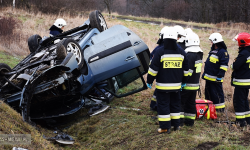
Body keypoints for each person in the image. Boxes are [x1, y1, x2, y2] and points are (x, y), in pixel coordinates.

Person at [147, 27, 189, 134]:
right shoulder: (182, 52)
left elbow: (153, 69)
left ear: (164, 38)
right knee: (175, 105)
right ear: (176, 38)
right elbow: (186, 70)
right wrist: (184, 81)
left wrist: (149, 80)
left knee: (163, 105)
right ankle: (176, 125)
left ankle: (165, 127)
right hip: (176, 87)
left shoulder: (160, 52)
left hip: (163, 86)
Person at [202, 33, 229, 112]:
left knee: (217, 95)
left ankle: (219, 111)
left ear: (216, 42)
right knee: (208, 94)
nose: (211, 43)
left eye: (211, 42)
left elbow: (224, 65)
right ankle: (210, 109)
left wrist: (220, 76)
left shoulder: (223, 52)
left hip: (216, 79)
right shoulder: (213, 51)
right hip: (209, 78)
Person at [180, 32, 203, 126]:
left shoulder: (190, 55)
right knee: (190, 103)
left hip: (187, 84)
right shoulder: (199, 54)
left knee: (180, 102)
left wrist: (183, 82)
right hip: (195, 84)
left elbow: (188, 71)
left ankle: (180, 122)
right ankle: (190, 122)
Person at [231, 32, 250, 127]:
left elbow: (236, 66)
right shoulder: (248, 52)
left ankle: (240, 122)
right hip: (247, 81)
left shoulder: (244, 53)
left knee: (239, 101)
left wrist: (232, 65)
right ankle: (247, 120)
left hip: (241, 82)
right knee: (244, 100)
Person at [149, 26, 168, 111]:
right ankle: (156, 106)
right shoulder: (162, 49)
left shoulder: (158, 48)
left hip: (158, 73)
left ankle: (154, 105)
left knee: (158, 90)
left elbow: (151, 58)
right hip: (162, 74)